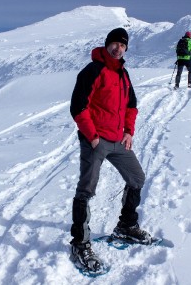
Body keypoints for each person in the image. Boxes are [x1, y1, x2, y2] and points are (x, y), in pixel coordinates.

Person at [69, 27, 151, 273]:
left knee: (137, 178)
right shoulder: (93, 70)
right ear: (107, 45)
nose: (119, 48)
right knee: (86, 189)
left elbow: (132, 105)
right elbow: (78, 107)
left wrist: (129, 131)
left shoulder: (124, 75)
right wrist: (92, 137)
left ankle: (126, 225)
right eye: (115, 43)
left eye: (123, 45)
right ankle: (80, 243)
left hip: (118, 140)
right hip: (95, 140)